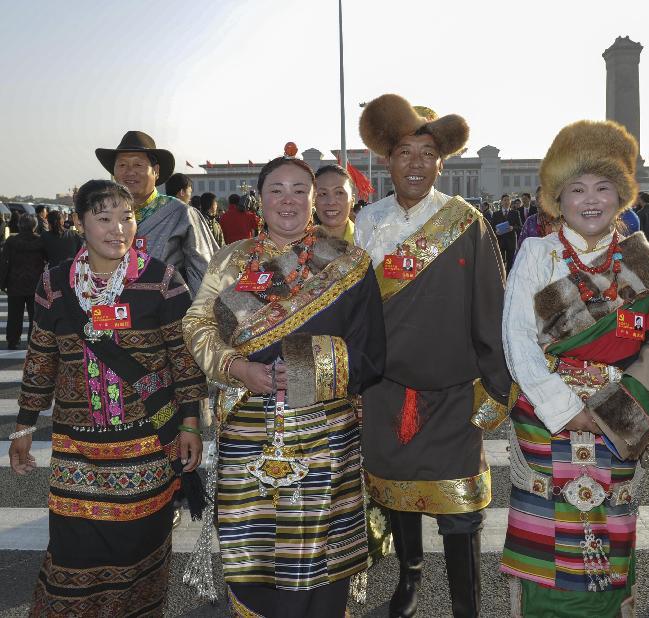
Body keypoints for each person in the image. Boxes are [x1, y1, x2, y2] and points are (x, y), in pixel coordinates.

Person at [182, 151, 386, 617]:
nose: (288, 200)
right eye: (276, 190)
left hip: (325, 432)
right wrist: (240, 369)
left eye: (300, 190)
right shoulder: (231, 260)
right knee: (253, 548)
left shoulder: (350, 263)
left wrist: (294, 372)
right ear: (260, 198)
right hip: (247, 431)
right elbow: (197, 326)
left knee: (321, 551)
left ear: (316, 199)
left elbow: (371, 353)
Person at [501, 120, 649, 617]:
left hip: (619, 414)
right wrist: (565, 409)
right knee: (549, 538)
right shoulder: (537, 254)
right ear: (557, 200)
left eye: (603, 187)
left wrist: (615, 409)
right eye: (576, 189)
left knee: (613, 527)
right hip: (549, 416)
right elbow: (517, 339)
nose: (590, 199)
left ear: (622, 197)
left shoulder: (640, 258)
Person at [7, 179, 206, 615]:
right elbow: (41, 360)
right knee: (72, 552)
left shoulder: (162, 282)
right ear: (79, 223)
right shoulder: (54, 285)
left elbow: (185, 362)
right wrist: (23, 425)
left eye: (127, 216)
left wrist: (190, 424)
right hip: (77, 452)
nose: (119, 228)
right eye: (104, 218)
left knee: (139, 555)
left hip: (147, 450)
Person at [355, 94, 512, 617]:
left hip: (452, 394)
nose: (415, 163)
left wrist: (495, 386)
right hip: (384, 392)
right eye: (404, 152)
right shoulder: (365, 224)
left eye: (427, 152)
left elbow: (491, 312)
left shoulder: (465, 221)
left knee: (460, 512)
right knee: (399, 498)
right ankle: (409, 584)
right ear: (387, 160)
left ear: (441, 162)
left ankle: (466, 606)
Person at [95, 130, 218, 296]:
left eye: (138, 165)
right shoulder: (100, 216)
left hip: (167, 317)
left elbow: (206, 274)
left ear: (156, 171)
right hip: (112, 316)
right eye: (122, 165)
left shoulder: (181, 214)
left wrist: (196, 317)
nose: (129, 172)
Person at [0, 214, 46, 349]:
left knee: (14, 314)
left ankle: (13, 340)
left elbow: (4, 263)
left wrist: (2, 283)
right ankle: (32, 341)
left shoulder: (11, 242)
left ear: (20, 225)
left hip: (15, 283)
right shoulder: (40, 242)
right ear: (35, 226)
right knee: (35, 315)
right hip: (35, 284)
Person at [315, 164, 356, 243]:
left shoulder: (368, 241)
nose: (331, 202)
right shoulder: (299, 246)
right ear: (313, 201)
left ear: (352, 201)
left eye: (339, 193)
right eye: (323, 194)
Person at [492, 193, 522, 271]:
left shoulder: (515, 213)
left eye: (508, 200)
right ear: (501, 202)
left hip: (511, 241)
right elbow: (492, 227)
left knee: (510, 262)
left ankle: (509, 279)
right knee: (500, 261)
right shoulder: (496, 214)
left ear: (510, 202)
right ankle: (501, 278)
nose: (506, 202)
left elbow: (520, 227)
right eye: (505, 200)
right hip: (500, 240)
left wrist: (513, 227)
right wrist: (496, 232)